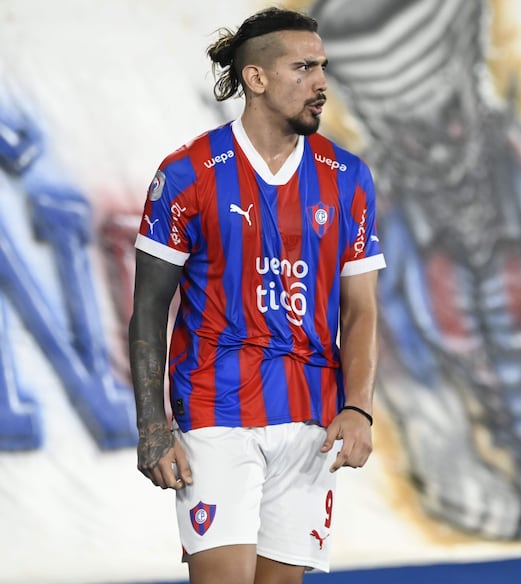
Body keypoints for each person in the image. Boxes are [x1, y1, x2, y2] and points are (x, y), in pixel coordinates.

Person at [128, 7, 385, 583]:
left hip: (310, 417)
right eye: (303, 67)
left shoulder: (348, 177)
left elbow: (362, 307)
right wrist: (152, 426)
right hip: (215, 410)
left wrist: (359, 406)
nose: (321, 82)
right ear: (257, 78)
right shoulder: (186, 174)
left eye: (323, 67)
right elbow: (148, 308)